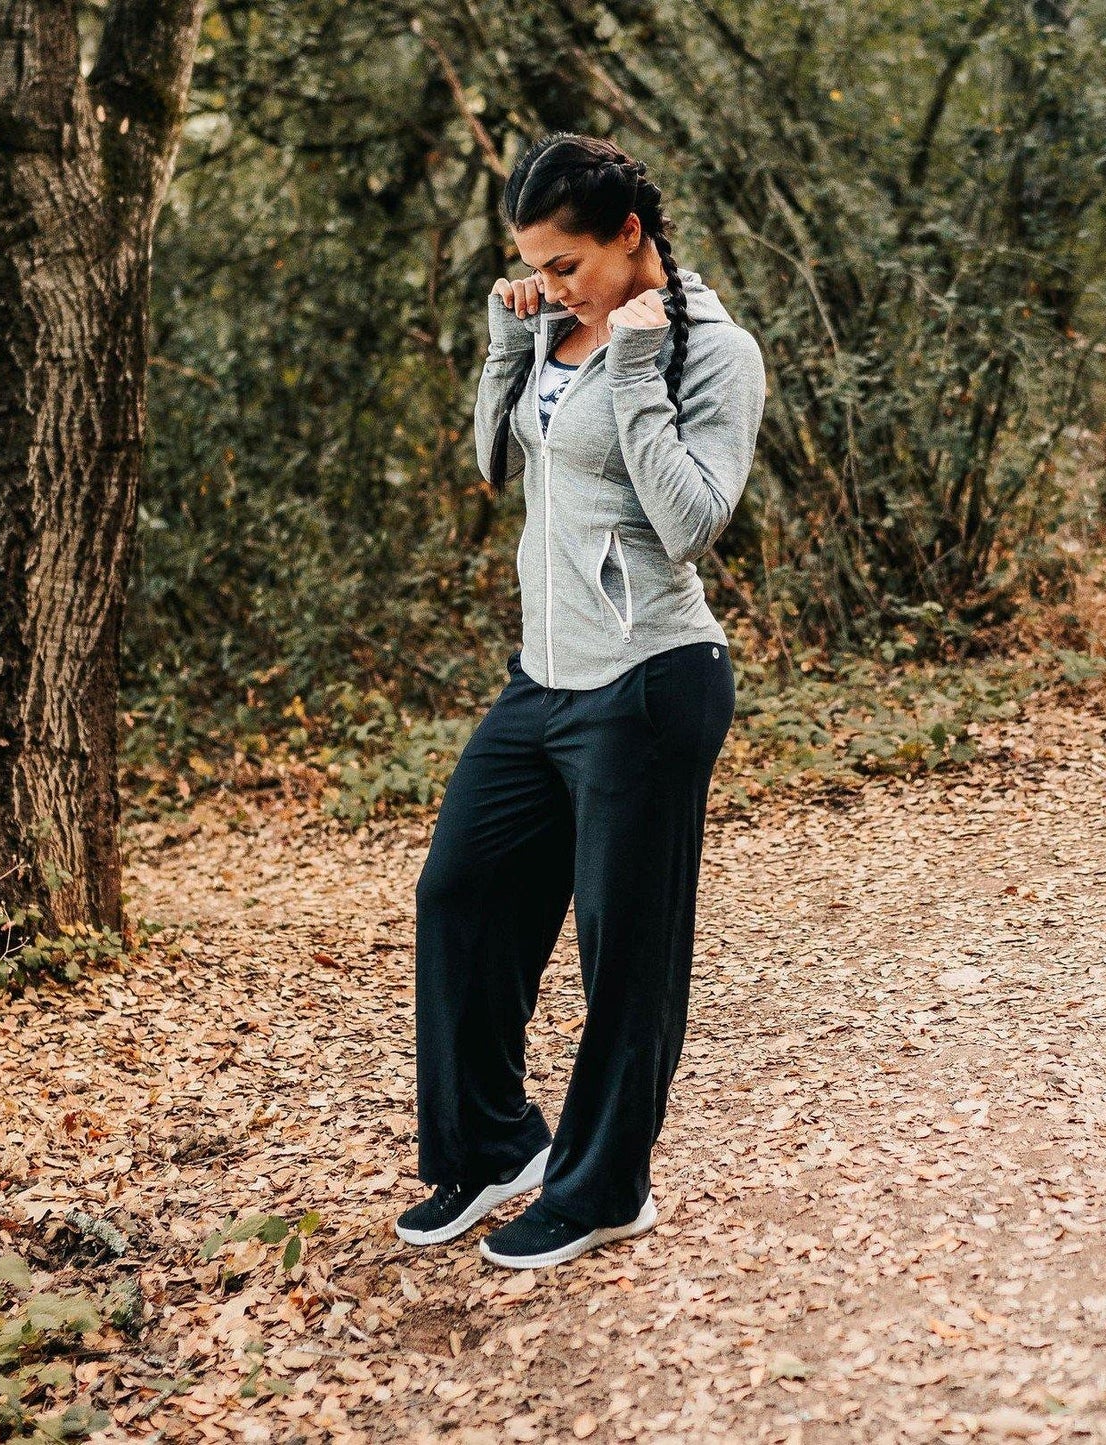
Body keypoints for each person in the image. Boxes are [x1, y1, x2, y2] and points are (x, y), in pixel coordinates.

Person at [396, 131, 767, 1270]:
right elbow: (492, 464)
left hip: (651, 677)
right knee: (458, 895)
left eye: (566, 265)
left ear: (628, 235)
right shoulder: (553, 328)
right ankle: (495, 1145)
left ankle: (605, 1187)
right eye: (534, 268)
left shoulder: (713, 350)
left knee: (625, 953)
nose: (551, 286)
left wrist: (637, 371)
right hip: (542, 679)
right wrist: (509, 342)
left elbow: (691, 522)